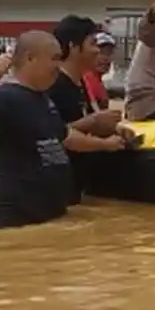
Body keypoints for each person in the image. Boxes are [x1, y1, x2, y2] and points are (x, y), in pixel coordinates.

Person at [0, 30, 126, 231]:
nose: (59, 67)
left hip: (48, 217)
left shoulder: (43, 99)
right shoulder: (5, 96)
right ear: (30, 58)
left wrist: (106, 144)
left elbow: (64, 136)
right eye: (55, 59)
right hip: (15, 221)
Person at [47, 15, 124, 204]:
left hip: (80, 182)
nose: (98, 51)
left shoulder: (82, 82)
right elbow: (49, 135)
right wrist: (94, 122)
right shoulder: (52, 86)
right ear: (74, 47)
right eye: (93, 44)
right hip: (60, 185)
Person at [82, 30, 115, 111]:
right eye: (101, 52)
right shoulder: (87, 79)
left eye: (108, 53)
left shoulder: (97, 81)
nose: (105, 58)